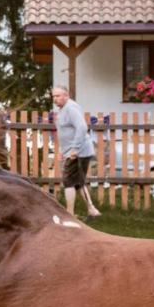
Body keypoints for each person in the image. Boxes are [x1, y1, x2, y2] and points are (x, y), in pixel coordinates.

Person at [51, 86, 100, 218]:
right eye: (53, 96)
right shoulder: (62, 110)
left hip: (79, 152)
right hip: (73, 151)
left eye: (58, 96)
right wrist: (62, 150)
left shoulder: (71, 109)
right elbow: (64, 133)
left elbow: (82, 127)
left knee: (68, 181)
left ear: (66, 96)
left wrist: (75, 149)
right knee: (78, 182)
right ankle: (91, 209)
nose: (55, 99)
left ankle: (69, 213)